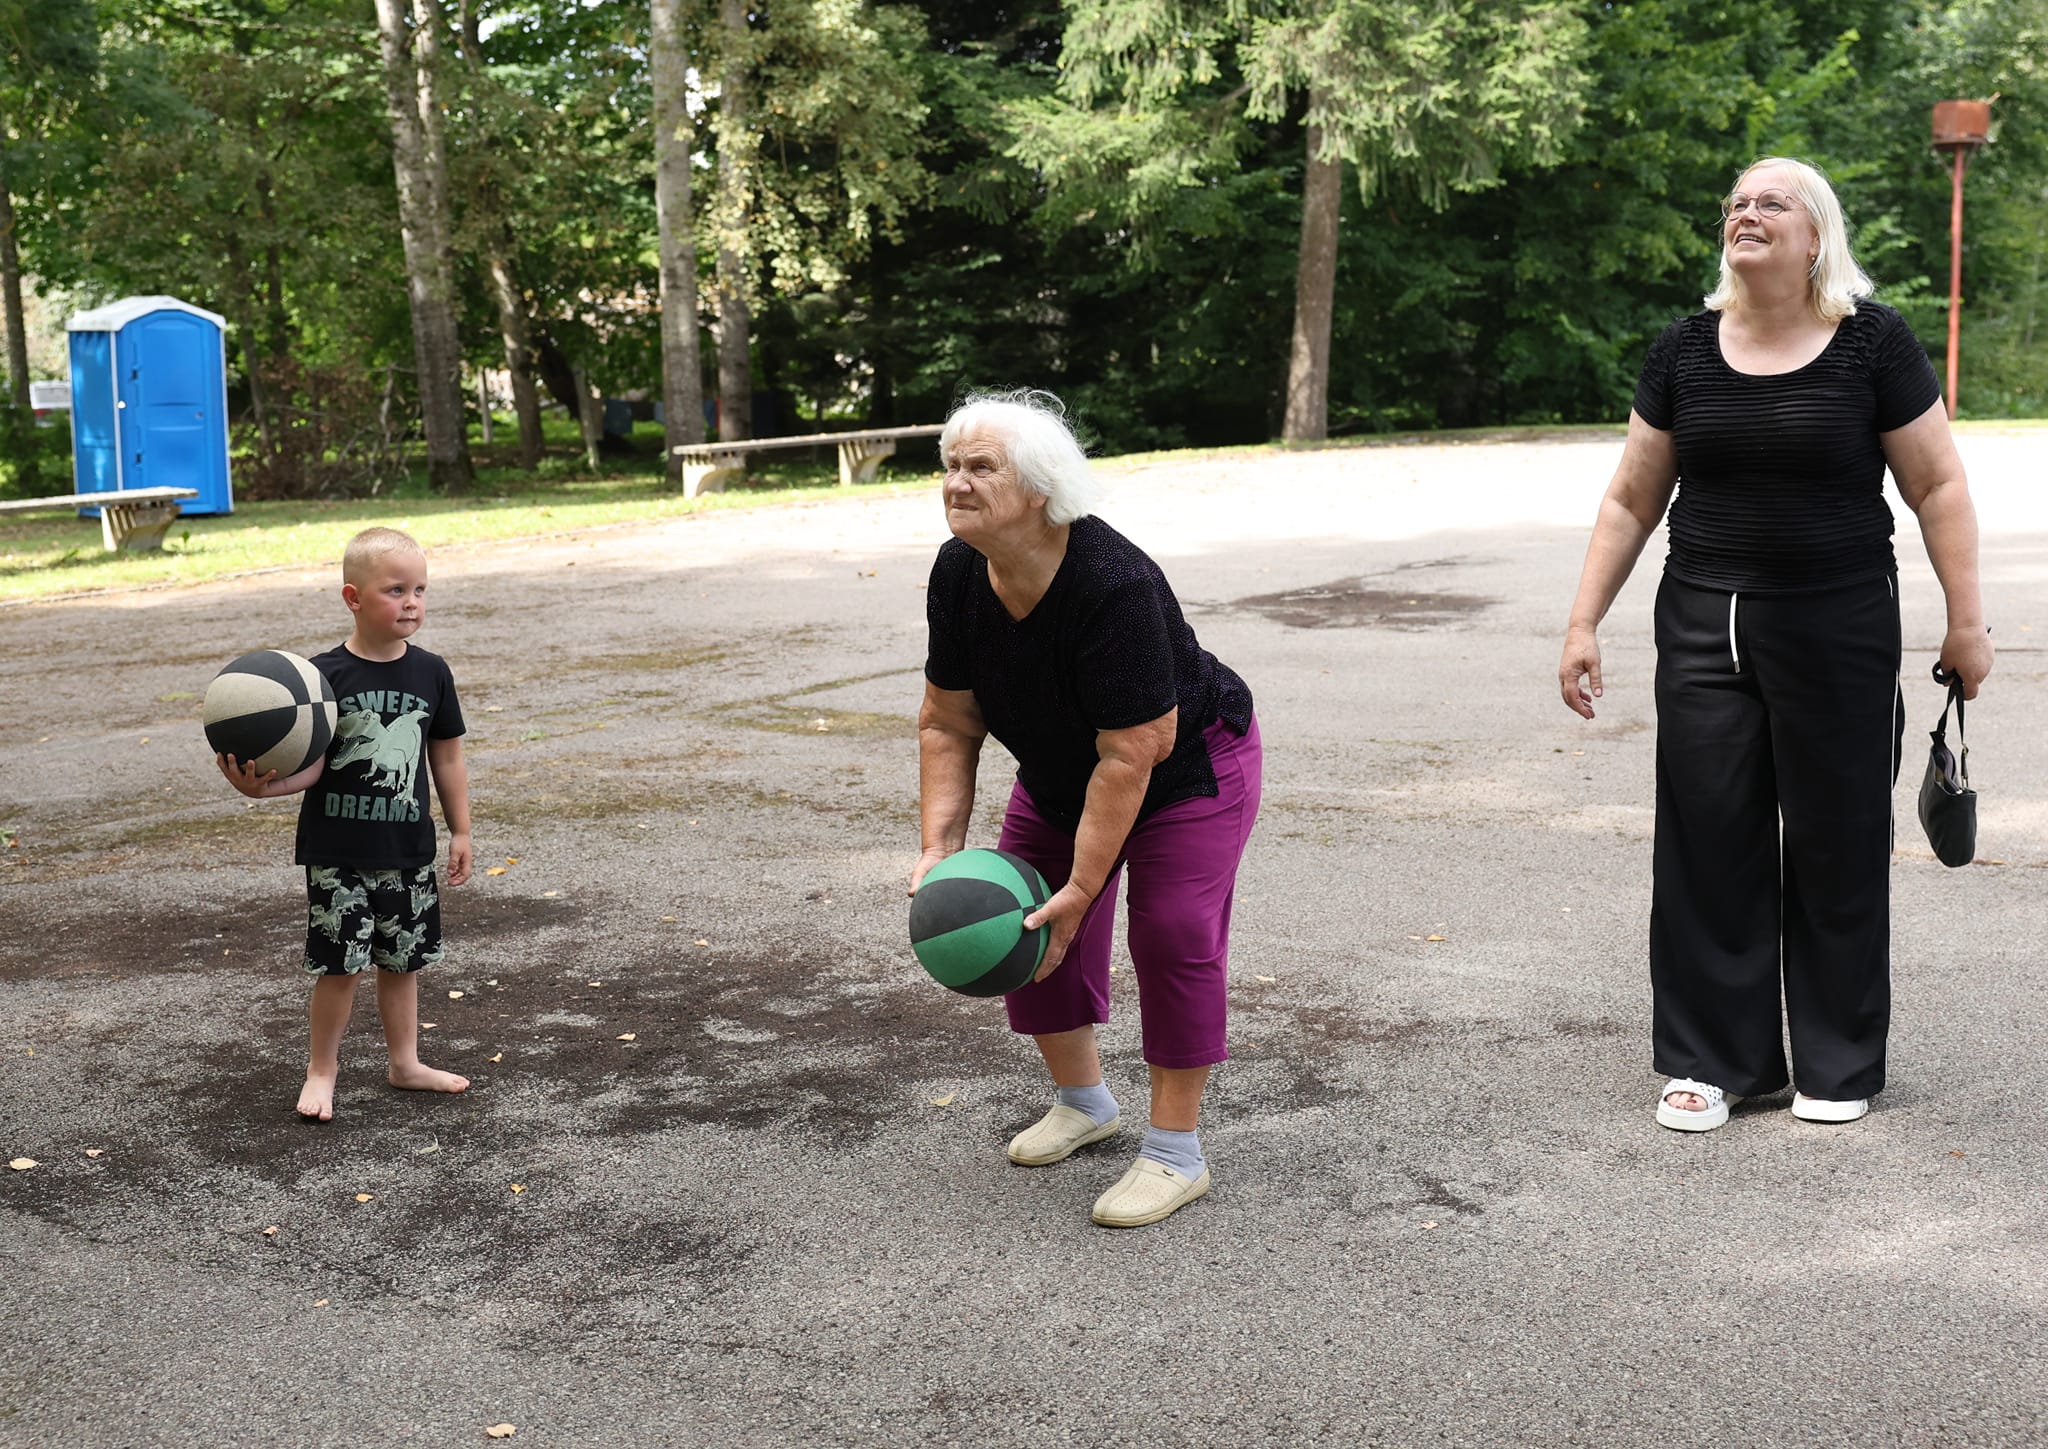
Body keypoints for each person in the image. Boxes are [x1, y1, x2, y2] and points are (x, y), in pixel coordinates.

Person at [1558, 157, 1993, 1132]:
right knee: (1708, 840)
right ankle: (1711, 1060)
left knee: (1838, 841)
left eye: (1770, 202)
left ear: (1814, 235)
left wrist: (1965, 621)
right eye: (1736, 203)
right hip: (1704, 625)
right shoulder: (1682, 349)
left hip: (1839, 621)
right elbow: (1630, 498)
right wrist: (1582, 621)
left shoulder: (1871, 342)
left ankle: (1838, 1064)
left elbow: (1936, 486)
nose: (1745, 213)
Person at [913, 390, 1261, 1227]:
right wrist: (939, 848)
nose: (957, 482)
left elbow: (1133, 751)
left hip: (1187, 767)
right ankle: (1084, 1102)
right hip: (1064, 770)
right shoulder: (958, 571)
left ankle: (1175, 1152)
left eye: (981, 467)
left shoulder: (1113, 582)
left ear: (1041, 489)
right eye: (951, 465)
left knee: (1171, 931)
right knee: (1021, 918)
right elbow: (948, 720)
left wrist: (1084, 885)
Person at [217, 526, 475, 1121]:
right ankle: (321, 1071)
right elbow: (312, 766)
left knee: (402, 964)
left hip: (407, 849)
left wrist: (460, 830)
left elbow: (446, 758)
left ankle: (405, 1063)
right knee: (338, 967)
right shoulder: (319, 679)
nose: (411, 603)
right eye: (395, 590)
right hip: (336, 853)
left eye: (420, 590)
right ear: (353, 598)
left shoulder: (432, 672)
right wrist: (264, 788)